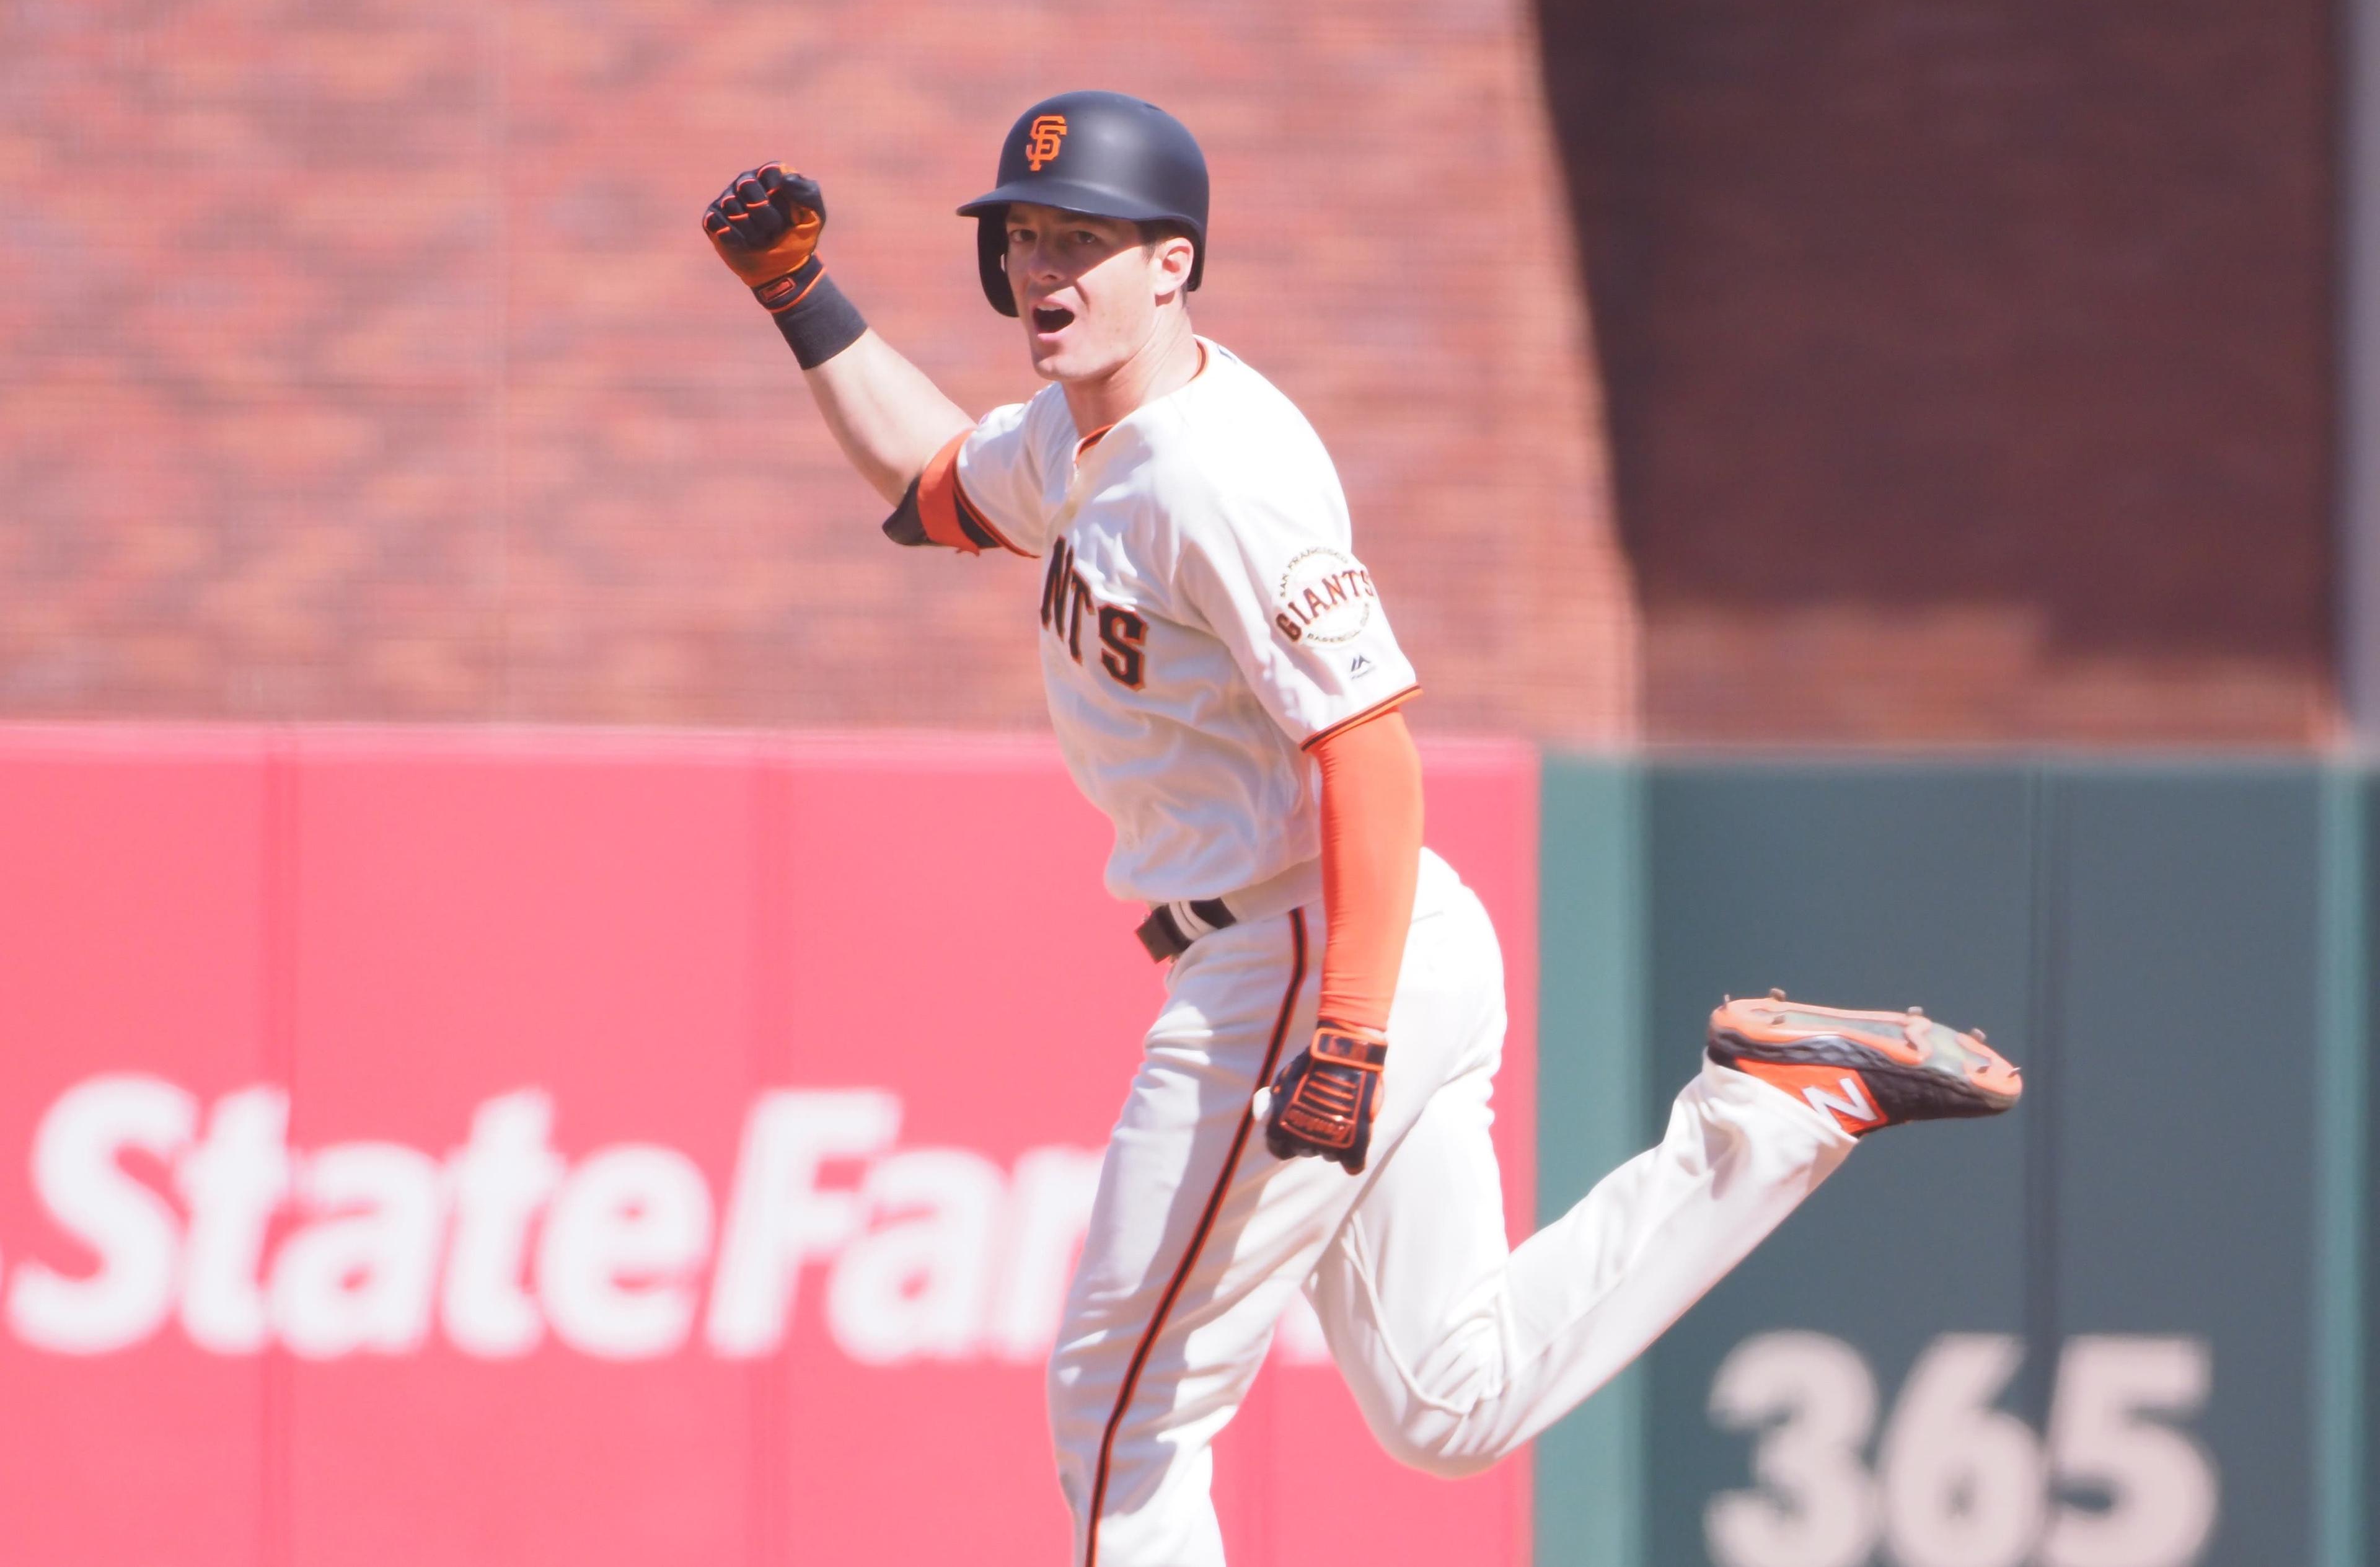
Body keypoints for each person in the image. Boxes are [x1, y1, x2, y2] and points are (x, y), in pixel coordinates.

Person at [702, 90, 2021, 1567]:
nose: (1047, 268)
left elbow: (1370, 750)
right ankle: (1775, 1112)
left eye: (1089, 238)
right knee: (1447, 1399)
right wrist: (801, 298)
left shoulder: (1215, 470)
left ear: (1173, 265)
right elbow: (937, 486)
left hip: (1309, 948)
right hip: (1363, 944)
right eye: (1025, 237)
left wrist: (1346, 1032)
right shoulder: (1091, 439)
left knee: (1120, 1412)